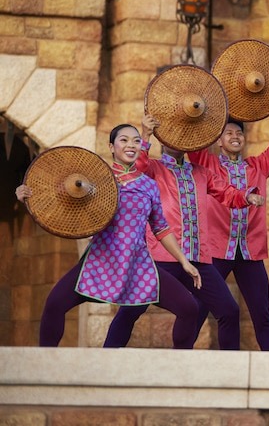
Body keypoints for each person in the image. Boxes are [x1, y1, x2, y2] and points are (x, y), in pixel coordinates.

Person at [15, 124, 202, 348]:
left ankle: (180, 370)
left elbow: (161, 228)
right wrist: (27, 195)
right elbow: (59, 196)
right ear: (111, 147)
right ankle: (43, 364)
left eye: (135, 141)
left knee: (189, 308)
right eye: (123, 140)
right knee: (54, 303)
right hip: (100, 260)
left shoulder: (149, 186)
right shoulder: (96, 180)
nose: (131, 145)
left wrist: (184, 262)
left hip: (137, 264)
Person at [104, 114, 265, 351]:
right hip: (161, 257)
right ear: (163, 139)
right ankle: (108, 356)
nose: (178, 141)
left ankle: (224, 370)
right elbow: (136, 168)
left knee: (228, 310)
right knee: (132, 308)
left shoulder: (201, 172)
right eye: (172, 136)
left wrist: (247, 196)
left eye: (183, 137)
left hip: (198, 260)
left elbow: (228, 193)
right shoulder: (153, 168)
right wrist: (145, 135)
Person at [186, 79, 269, 352]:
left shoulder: (258, 166)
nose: (235, 136)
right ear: (219, 141)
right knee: (199, 308)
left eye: (239, 133)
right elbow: (191, 142)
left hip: (250, 253)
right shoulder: (206, 163)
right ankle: (180, 358)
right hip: (216, 251)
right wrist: (200, 104)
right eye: (228, 133)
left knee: (262, 315)